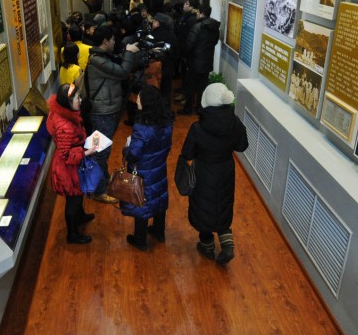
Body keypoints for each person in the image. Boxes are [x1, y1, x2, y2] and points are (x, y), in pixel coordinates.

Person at [180, 82, 249, 264]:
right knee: (223, 204)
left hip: (204, 172)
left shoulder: (198, 127)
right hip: (226, 169)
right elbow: (242, 146)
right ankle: (227, 245)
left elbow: (187, 153)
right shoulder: (234, 122)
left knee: (203, 208)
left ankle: (207, 247)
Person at [84, 25, 139, 202]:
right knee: (100, 152)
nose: (115, 42)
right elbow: (123, 72)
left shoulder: (102, 57)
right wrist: (129, 52)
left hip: (105, 111)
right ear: (105, 41)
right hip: (103, 113)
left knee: (98, 150)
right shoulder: (98, 61)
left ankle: (102, 180)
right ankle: (99, 191)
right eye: (113, 39)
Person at [120, 85, 174, 251]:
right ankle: (159, 232)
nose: (136, 99)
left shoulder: (142, 128)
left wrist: (126, 148)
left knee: (141, 204)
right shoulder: (167, 122)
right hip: (159, 168)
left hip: (143, 172)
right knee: (158, 198)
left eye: (139, 98)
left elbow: (133, 154)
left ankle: (140, 239)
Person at [46, 83, 98, 244]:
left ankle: (80, 217)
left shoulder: (65, 114)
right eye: (77, 98)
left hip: (75, 165)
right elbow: (66, 155)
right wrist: (87, 152)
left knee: (78, 195)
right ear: (68, 103)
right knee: (73, 200)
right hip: (69, 170)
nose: (80, 100)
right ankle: (73, 234)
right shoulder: (65, 126)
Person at [180, 5, 220, 115]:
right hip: (207, 61)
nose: (196, 14)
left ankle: (188, 108)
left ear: (202, 13)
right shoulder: (215, 27)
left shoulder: (197, 27)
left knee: (190, 87)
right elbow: (215, 42)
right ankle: (199, 108)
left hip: (194, 62)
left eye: (198, 13)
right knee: (202, 87)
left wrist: (185, 55)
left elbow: (189, 45)